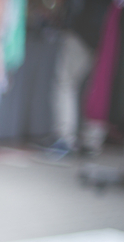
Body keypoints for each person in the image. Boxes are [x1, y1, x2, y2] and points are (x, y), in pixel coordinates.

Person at [43, 0, 113, 159]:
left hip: (85, 27)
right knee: (100, 86)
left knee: (66, 82)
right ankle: (92, 140)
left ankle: (64, 139)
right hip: (110, 31)